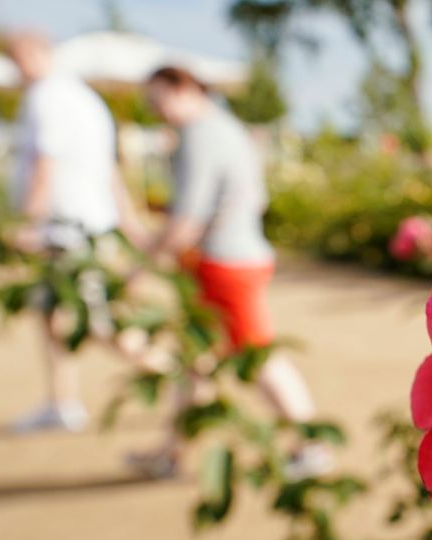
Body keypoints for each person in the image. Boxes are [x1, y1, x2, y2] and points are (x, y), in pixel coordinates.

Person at [126, 65, 327, 479]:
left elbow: (189, 218)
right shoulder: (223, 128)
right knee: (193, 360)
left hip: (225, 263)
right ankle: (172, 452)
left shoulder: (201, 135)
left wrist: (142, 262)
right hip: (232, 257)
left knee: (256, 357)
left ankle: (311, 445)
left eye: (157, 98)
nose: (154, 109)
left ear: (184, 88)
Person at [4, 31, 144, 433]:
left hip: (66, 230)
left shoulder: (46, 97)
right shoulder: (84, 97)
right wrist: (129, 219)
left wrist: (29, 222)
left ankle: (177, 372)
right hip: (82, 226)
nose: (16, 69)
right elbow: (109, 168)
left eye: (18, 58)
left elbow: (46, 162)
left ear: (38, 52)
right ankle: (62, 402)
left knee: (95, 321)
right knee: (50, 314)